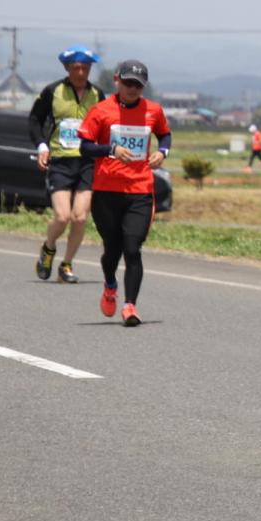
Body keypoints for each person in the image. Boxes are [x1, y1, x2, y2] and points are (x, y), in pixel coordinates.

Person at [77, 60, 171, 327]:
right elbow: (84, 146)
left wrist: (162, 152)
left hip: (140, 189)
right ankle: (109, 285)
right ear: (117, 80)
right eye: (128, 83)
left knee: (132, 247)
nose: (132, 89)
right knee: (112, 249)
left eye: (138, 85)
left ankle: (130, 306)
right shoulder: (101, 111)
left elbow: (165, 135)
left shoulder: (153, 111)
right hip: (107, 190)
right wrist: (110, 150)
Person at [28, 45, 105, 283]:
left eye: (85, 68)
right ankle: (48, 249)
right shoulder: (53, 91)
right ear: (66, 68)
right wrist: (42, 146)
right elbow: (34, 120)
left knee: (80, 217)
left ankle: (67, 265)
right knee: (62, 217)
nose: (81, 73)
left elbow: (106, 124)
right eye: (76, 68)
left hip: (87, 161)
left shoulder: (98, 94)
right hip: (60, 160)